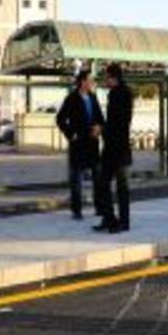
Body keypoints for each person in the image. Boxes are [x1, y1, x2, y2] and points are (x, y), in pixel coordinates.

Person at [56, 70, 105, 221]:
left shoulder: (93, 97)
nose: (92, 83)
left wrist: (99, 127)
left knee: (98, 176)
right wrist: (71, 135)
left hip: (92, 143)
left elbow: (100, 118)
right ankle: (76, 210)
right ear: (82, 82)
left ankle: (99, 207)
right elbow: (60, 119)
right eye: (90, 80)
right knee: (76, 178)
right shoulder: (71, 98)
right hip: (78, 144)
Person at [96, 63, 133, 233]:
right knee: (103, 184)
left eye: (106, 77)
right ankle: (109, 218)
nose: (105, 80)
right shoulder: (114, 93)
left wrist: (102, 129)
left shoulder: (124, 94)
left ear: (113, 77)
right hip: (111, 147)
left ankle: (123, 223)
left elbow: (121, 122)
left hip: (119, 148)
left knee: (121, 188)